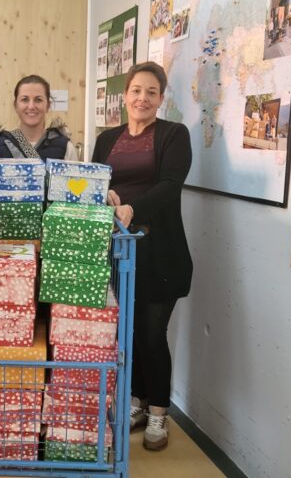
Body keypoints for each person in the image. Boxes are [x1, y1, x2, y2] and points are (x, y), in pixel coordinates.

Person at [91, 62, 193, 452]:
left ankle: (159, 412)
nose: (142, 98)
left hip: (161, 252)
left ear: (161, 98)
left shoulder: (174, 135)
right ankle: (136, 400)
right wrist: (106, 195)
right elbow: (96, 181)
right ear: (125, 96)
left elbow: (170, 184)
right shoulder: (107, 138)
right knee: (128, 333)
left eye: (151, 92)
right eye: (136, 90)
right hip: (120, 252)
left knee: (152, 334)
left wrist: (132, 207)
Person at [0, 75, 79, 162]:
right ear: (15, 105)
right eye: (25, 99)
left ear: (48, 105)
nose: (31, 106)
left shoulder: (66, 148)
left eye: (38, 100)